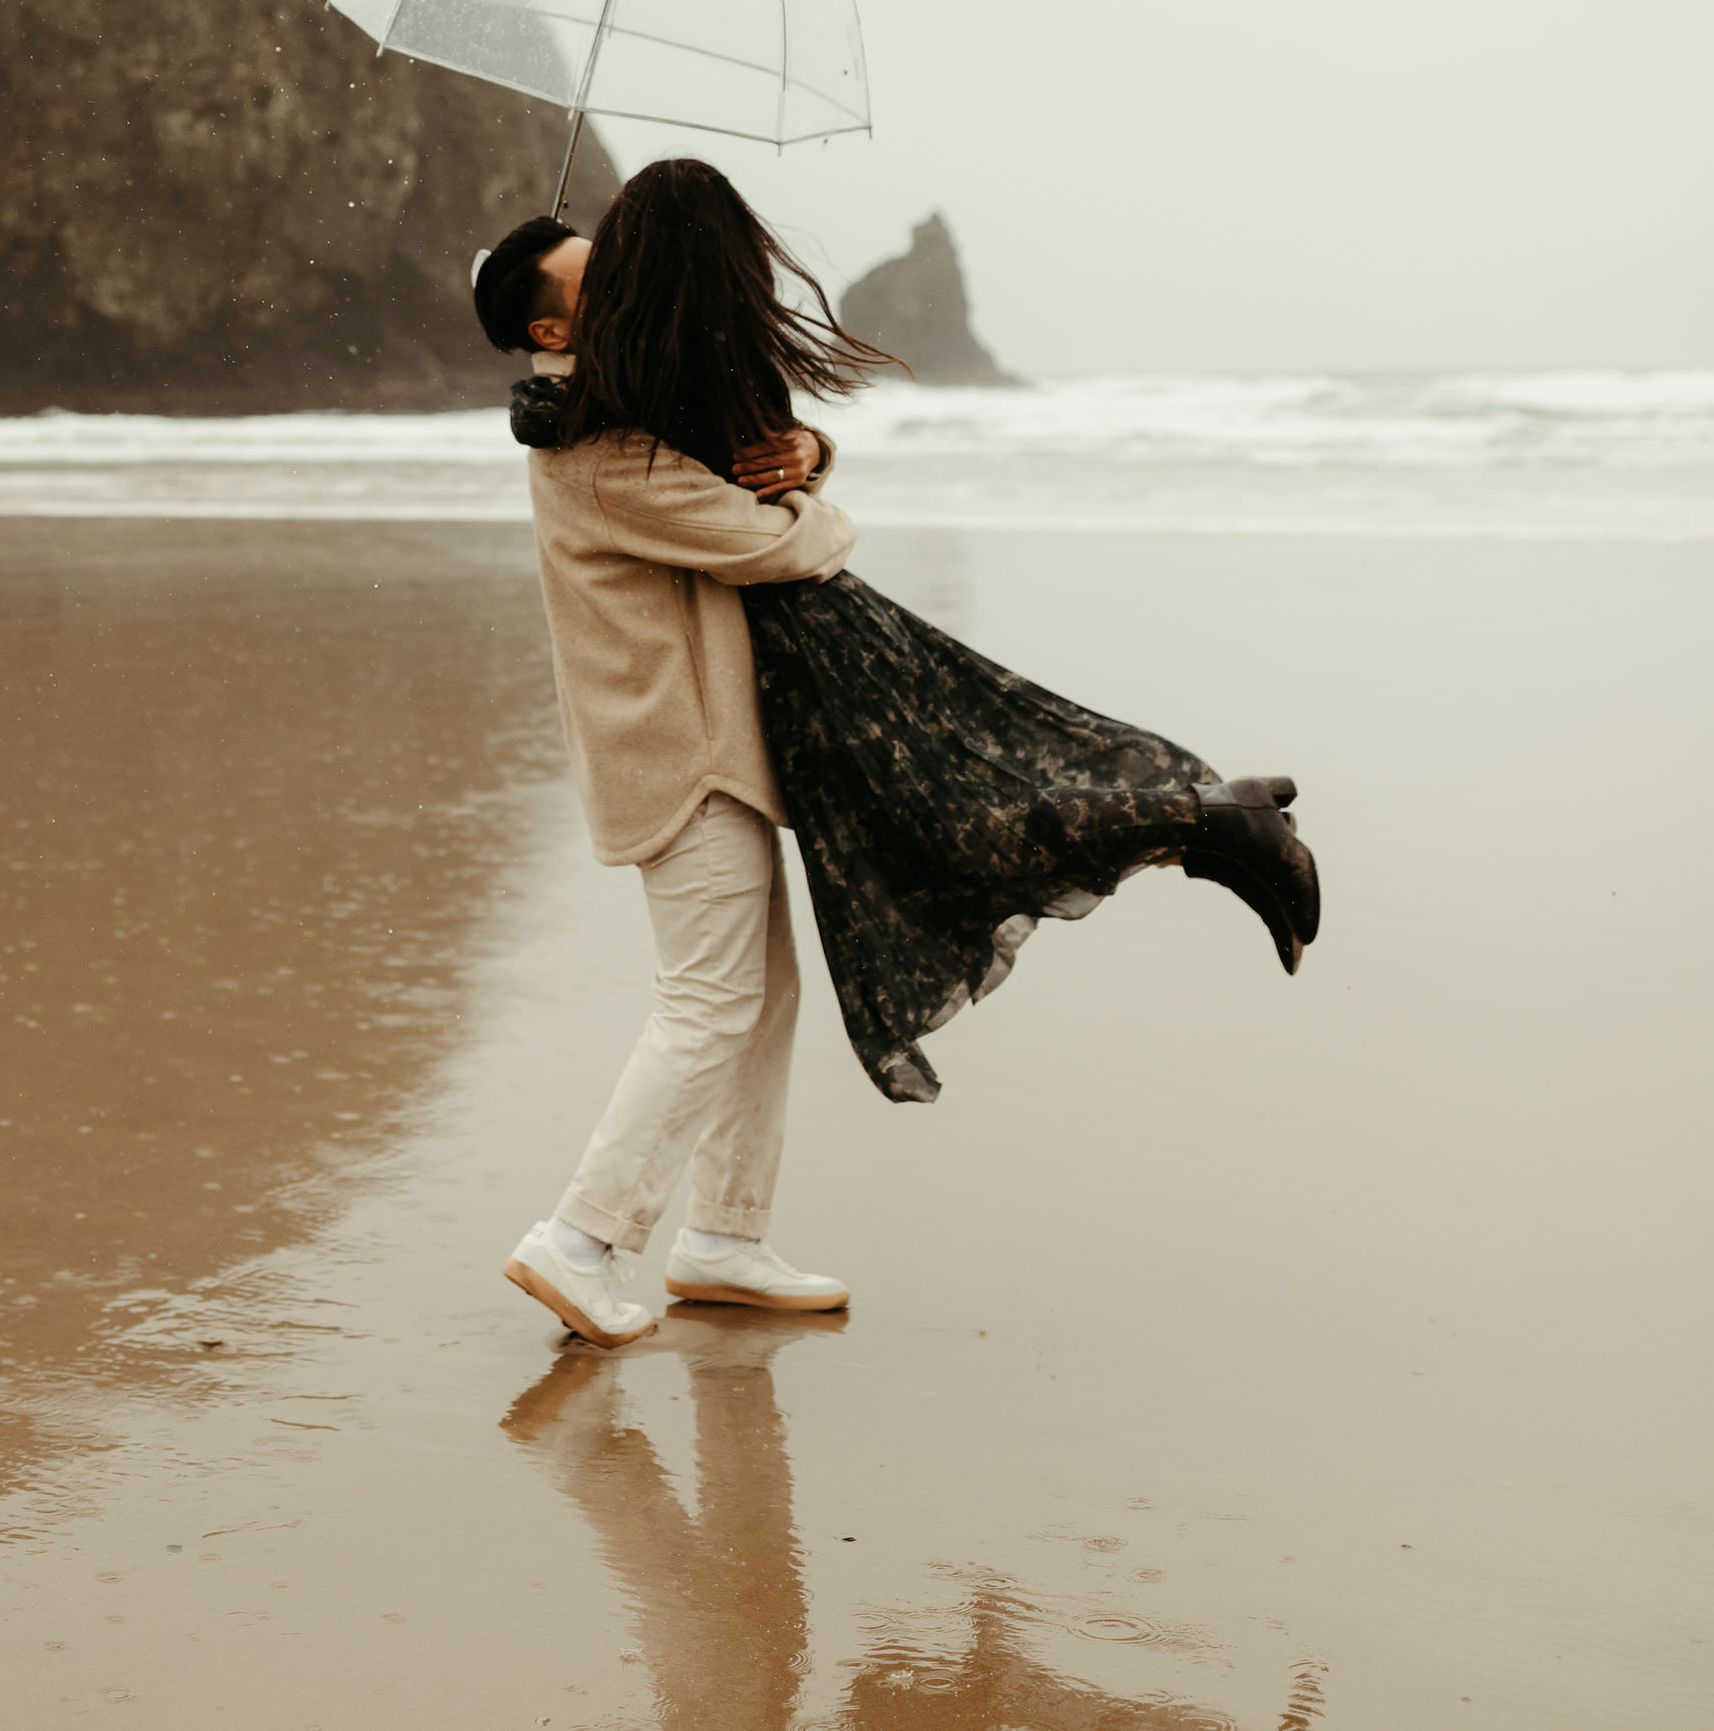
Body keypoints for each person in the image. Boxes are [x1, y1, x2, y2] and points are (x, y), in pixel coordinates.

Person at [474, 161, 1319, 1344]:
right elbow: (771, 546)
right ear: (548, 327)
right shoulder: (598, 455)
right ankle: (582, 1238)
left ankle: (721, 1235)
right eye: (590, 278)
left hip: (705, 746)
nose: (619, 285)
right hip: (674, 758)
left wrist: (808, 453)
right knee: (711, 1002)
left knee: (757, 1001)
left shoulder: (621, 419)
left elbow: (754, 465)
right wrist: (819, 505)